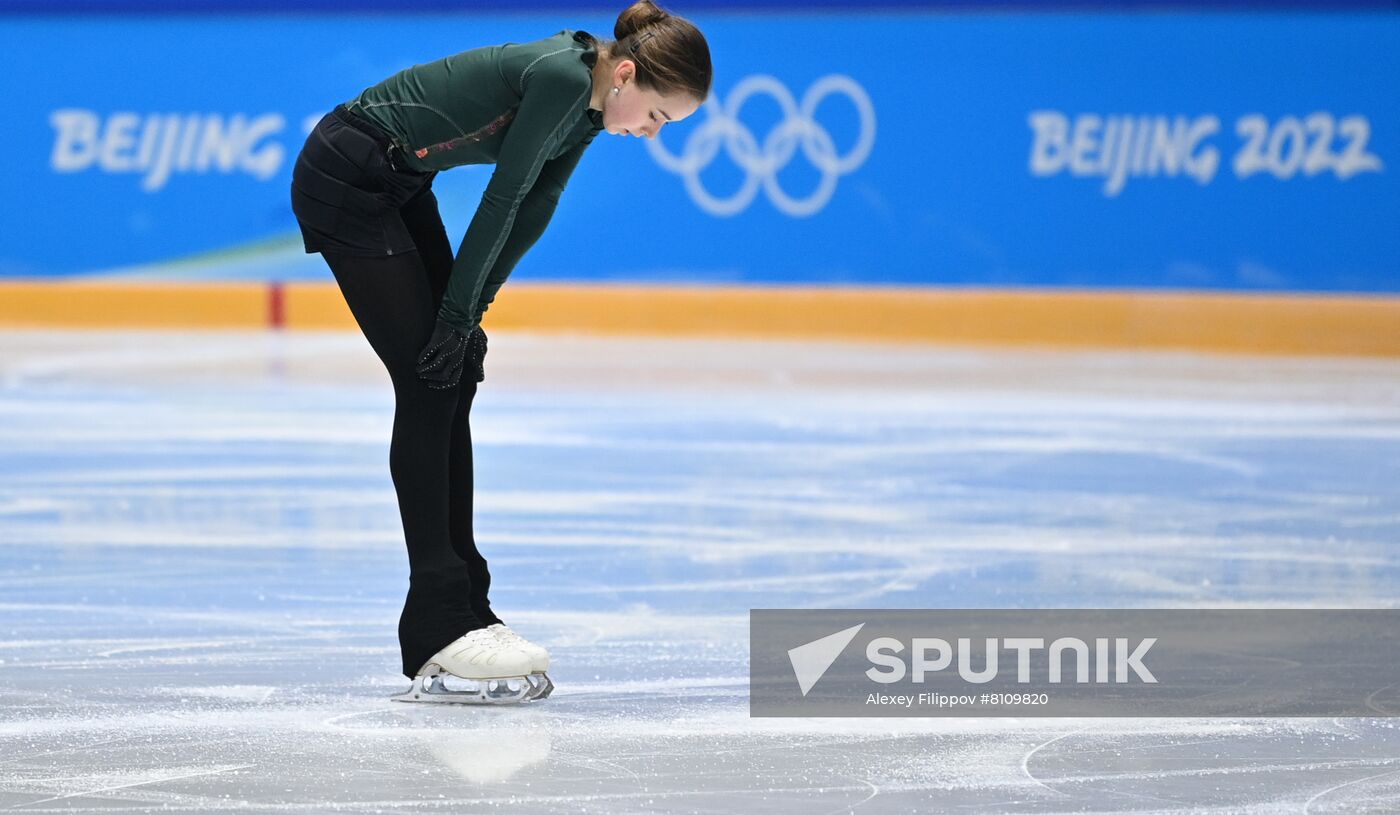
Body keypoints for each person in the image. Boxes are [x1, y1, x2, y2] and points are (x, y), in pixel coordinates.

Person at [289, 0, 711, 703]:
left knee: (455, 371)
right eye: (657, 115)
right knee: (427, 380)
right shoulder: (559, 77)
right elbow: (503, 195)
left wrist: (469, 315)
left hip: (392, 180)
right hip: (348, 175)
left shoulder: (589, 101)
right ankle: (434, 619)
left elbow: (536, 205)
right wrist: (453, 313)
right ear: (628, 74)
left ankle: (466, 600)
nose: (649, 132)